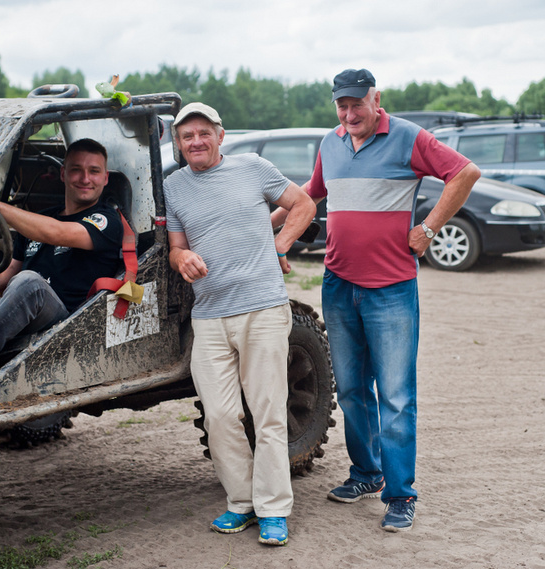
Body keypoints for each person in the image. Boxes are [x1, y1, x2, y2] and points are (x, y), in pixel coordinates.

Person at [273, 69, 480, 532]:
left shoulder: (409, 137)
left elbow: (465, 172)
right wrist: (263, 226)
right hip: (339, 285)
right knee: (349, 390)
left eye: (356, 105)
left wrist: (428, 229)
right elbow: (311, 193)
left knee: (396, 396)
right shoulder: (331, 142)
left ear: (375, 99)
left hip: (391, 289)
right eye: (341, 107)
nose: (349, 115)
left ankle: (401, 494)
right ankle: (366, 473)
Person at [164, 102, 316, 547]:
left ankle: (273, 510)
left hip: (263, 311)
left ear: (220, 135)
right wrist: (181, 257)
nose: (196, 142)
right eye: (187, 136)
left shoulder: (253, 168)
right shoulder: (174, 187)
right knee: (220, 415)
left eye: (203, 133)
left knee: (268, 414)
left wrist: (280, 243)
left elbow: (302, 203)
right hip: (209, 317)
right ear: (178, 143)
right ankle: (241, 502)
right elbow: (176, 247)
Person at [0, 138, 123, 390]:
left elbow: (57, 234)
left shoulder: (106, 220)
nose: (85, 178)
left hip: (66, 323)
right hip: (16, 309)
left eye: (94, 171)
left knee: (30, 282)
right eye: (76, 169)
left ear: (105, 178)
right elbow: (2, 277)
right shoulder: (41, 219)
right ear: (63, 174)